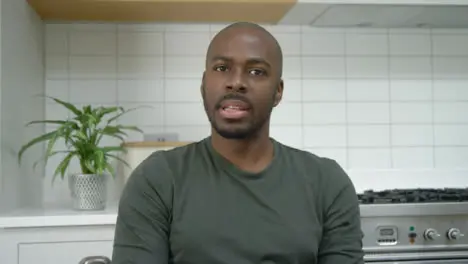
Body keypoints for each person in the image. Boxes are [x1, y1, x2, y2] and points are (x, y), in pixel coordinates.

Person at [111, 22, 364, 264]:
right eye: (222, 68)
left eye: (256, 71)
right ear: (203, 84)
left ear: (278, 91)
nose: (237, 82)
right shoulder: (157, 179)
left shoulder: (327, 183)